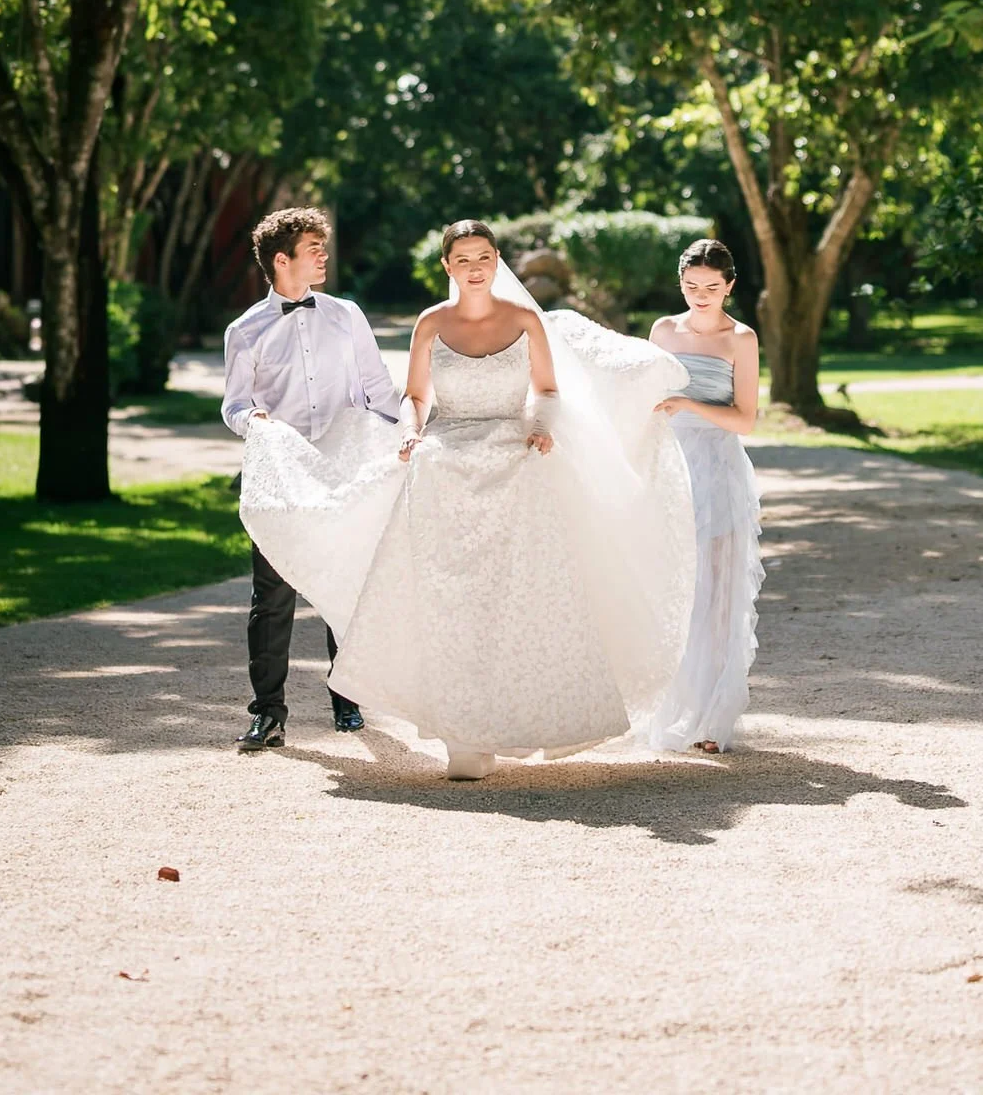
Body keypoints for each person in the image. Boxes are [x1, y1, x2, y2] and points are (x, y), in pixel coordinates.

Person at [240, 220, 696, 781]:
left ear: (496, 260)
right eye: (464, 258)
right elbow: (412, 396)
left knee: (515, 597)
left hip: (513, 461)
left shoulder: (522, 320)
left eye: (484, 257)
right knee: (441, 601)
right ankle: (451, 730)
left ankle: (498, 717)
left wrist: (541, 426)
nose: (475, 267)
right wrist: (410, 432)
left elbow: (544, 391)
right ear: (447, 267)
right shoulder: (430, 322)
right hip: (440, 465)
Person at [221, 206, 402, 751]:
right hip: (282, 475)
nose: (325, 255)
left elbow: (378, 389)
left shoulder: (347, 315)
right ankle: (268, 714)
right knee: (272, 594)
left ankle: (345, 694)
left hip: (343, 467)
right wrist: (252, 419)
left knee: (343, 581)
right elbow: (234, 405)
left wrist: (414, 430)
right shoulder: (245, 330)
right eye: (314, 248)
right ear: (283, 260)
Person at [648, 238, 763, 754]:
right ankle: (670, 709)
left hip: (718, 467)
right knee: (672, 589)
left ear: (729, 287)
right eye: (692, 286)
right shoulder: (663, 331)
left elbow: (746, 419)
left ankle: (714, 719)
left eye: (712, 288)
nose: (701, 295)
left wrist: (687, 402)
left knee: (717, 592)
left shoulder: (742, 338)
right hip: (671, 466)